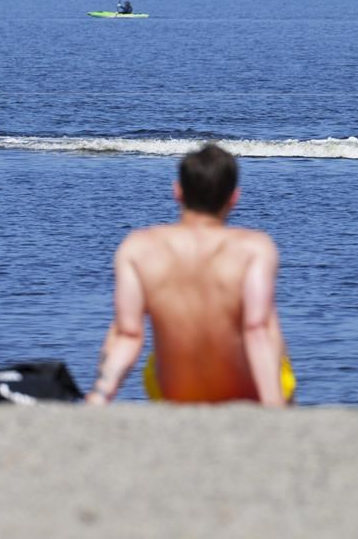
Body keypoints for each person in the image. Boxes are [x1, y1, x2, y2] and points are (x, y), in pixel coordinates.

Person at [87, 144, 295, 407]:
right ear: (234, 197)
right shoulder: (254, 249)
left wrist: (98, 397)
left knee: (133, 334)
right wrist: (273, 408)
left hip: (174, 390)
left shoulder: (138, 248)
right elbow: (257, 330)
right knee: (267, 321)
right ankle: (277, 404)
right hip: (245, 390)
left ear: (178, 192)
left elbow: (128, 335)